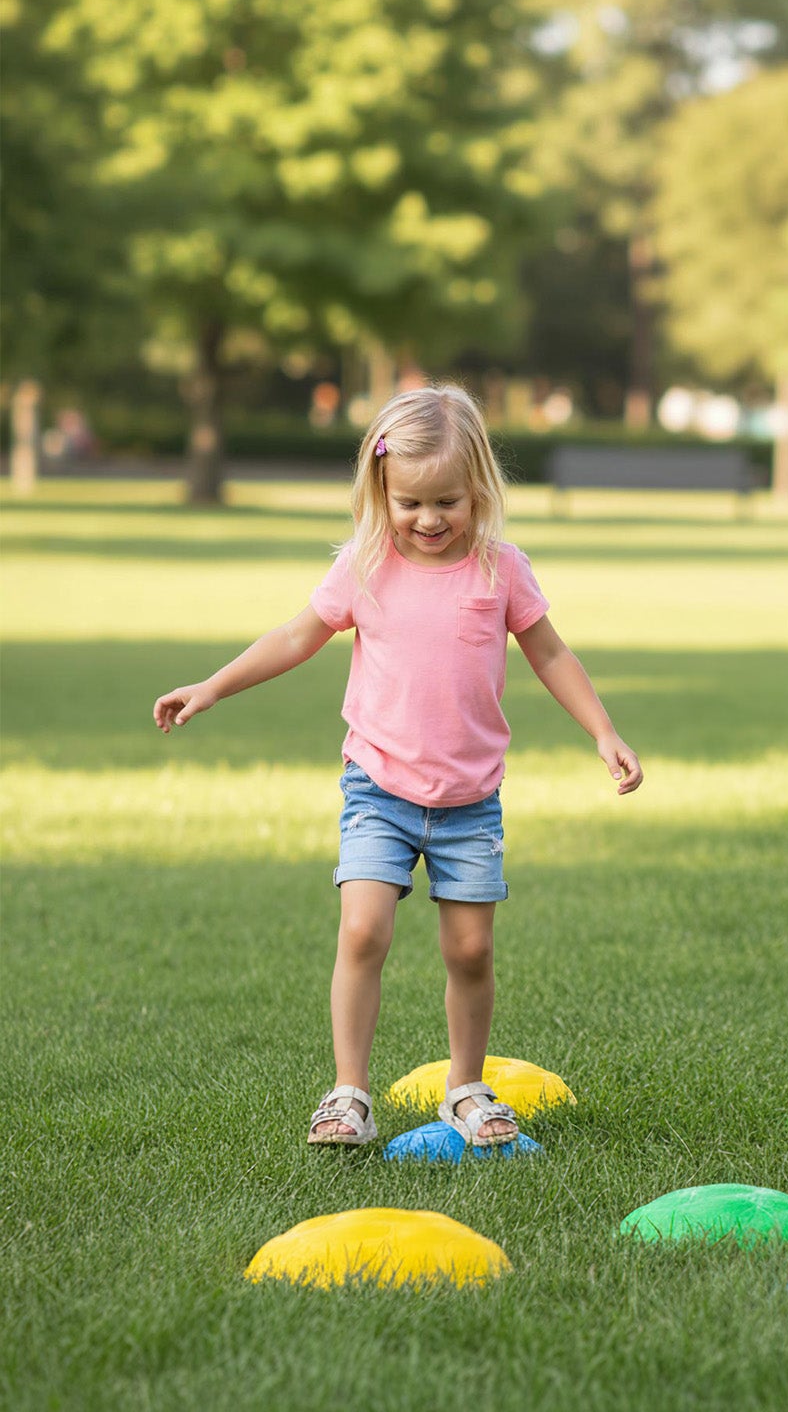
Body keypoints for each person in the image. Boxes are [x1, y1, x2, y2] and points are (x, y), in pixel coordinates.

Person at [152, 385, 642, 1148]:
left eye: (448, 500)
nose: (429, 518)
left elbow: (550, 652)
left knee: (471, 948)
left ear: (479, 488)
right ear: (380, 490)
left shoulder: (500, 568)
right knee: (363, 931)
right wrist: (212, 686)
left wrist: (603, 732)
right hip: (377, 787)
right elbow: (295, 636)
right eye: (410, 501)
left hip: (470, 800)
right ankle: (349, 1093)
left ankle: (467, 1089)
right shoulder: (365, 564)